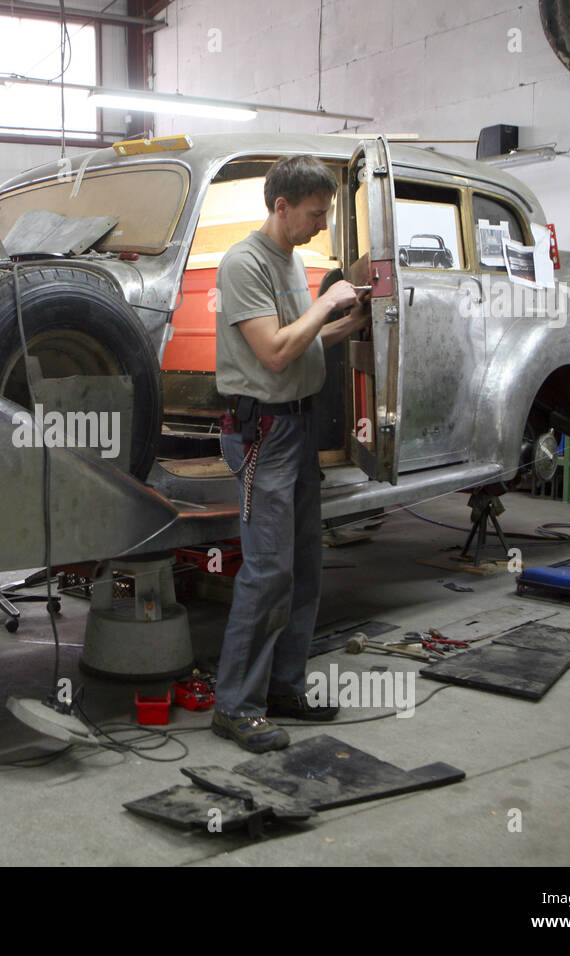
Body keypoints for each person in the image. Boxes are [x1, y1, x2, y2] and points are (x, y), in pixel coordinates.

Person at [211, 155, 371, 753]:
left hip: (298, 431)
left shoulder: (292, 261)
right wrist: (327, 304)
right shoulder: (244, 263)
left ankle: (284, 687)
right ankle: (234, 706)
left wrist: (347, 320)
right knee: (267, 570)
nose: (321, 225)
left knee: (303, 567)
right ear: (281, 206)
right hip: (265, 435)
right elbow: (276, 353)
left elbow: (301, 339)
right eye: (315, 213)